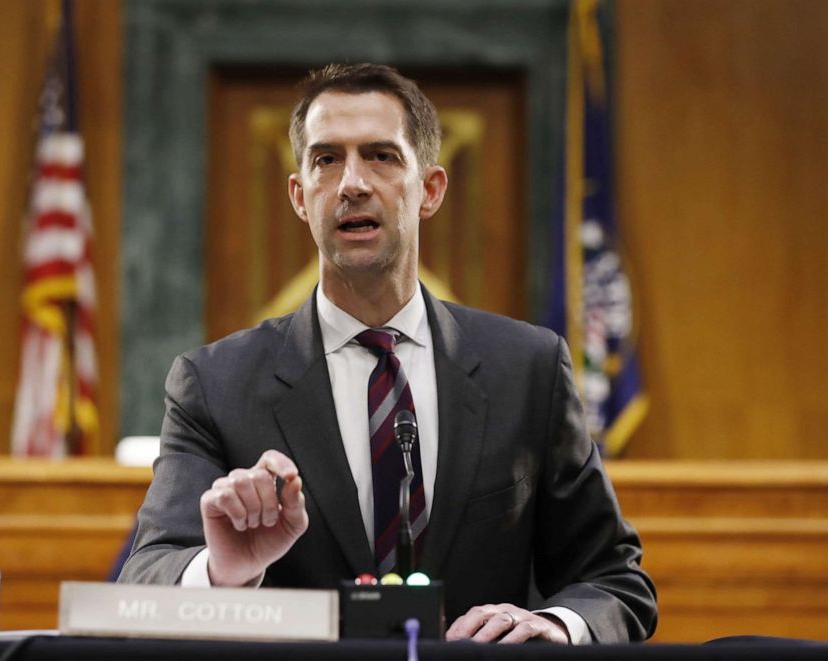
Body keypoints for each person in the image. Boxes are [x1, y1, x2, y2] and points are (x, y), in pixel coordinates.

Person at [118, 63, 657, 644]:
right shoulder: (215, 384)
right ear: (300, 197)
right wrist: (225, 572)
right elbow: (143, 585)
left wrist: (554, 624)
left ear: (430, 189)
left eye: (381, 156)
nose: (352, 182)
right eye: (326, 159)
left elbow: (614, 580)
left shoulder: (527, 369)